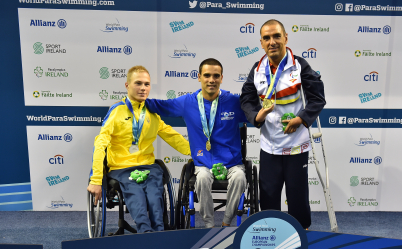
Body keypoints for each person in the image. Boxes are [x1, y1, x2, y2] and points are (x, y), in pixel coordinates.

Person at [240, 19, 326, 229]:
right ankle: (273, 234)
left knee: (297, 196)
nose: (272, 42)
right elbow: (246, 99)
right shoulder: (258, 69)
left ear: (286, 38)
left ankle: (301, 235)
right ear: (261, 42)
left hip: (296, 144)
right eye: (267, 38)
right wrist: (256, 117)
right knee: (269, 196)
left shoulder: (299, 66)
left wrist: (301, 119)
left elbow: (317, 98)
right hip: (270, 145)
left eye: (277, 36)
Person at [87, 66, 191, 232]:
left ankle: (159, 232)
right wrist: (96, 179)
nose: (143, 88)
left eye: (147, 84)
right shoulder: (116, 111)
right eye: (138, 83)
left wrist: (198, 154)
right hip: (122, 168)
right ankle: (145, 233)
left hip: (148, 166)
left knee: (155, 195)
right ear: (127, 85)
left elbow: (171, 135)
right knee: (136, 194)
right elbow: (100, 144)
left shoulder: (152, 113)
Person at [146, 58, 247, 228]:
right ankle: (208, 224)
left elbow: (255, 115)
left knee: (240, 178)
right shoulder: (187, 102)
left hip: (232, 163)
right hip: (203, 163)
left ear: (222, 78)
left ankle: (226, 222)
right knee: (201, 179)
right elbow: (161, 106)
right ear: (199, 77)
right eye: (207, 75)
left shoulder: (233, 101)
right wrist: (135, 100)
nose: (211, 80)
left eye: (216, 76)